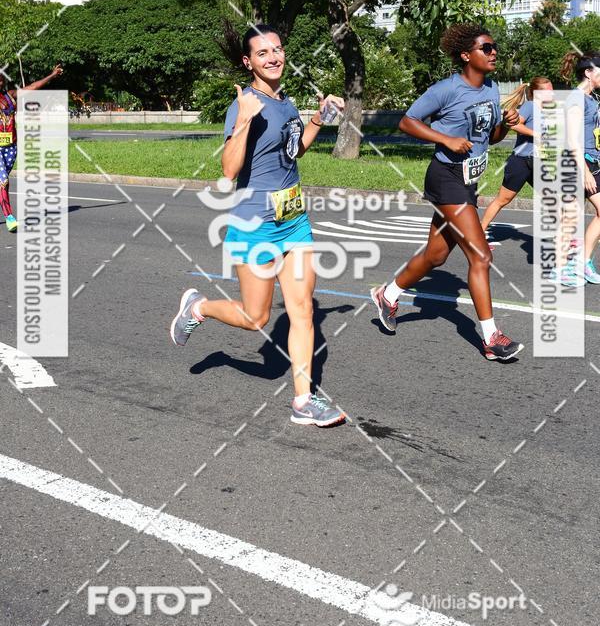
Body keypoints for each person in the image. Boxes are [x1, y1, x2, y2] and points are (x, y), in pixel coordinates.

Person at [170, 24, 346, 426]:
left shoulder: (285, 102)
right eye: (263, 53)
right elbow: (229, 170)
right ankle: (198, 307)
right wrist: (246, 120)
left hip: (294, 220)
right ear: (249, 62)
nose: (273, 57)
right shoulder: (244, 104)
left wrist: (318, 118)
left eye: (278, 49)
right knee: (256, 319)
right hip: (255, 225)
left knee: (302, 310)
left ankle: (304, 401)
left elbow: (292, 150)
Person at [371, 23, 524, 361]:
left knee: (436, 256)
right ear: (467, 55)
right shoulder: (446, 89)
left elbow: (490, 137)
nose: (494, 52)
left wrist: (505, 124)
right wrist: (445, 139)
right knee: (481, 256)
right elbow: (407, 121)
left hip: (468, 180)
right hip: (446, 177)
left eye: (494, 46)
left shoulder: (491, 89)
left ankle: (388, 294)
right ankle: (491, 339)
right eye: (486, 48)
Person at [481, 77, 554, 234]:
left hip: (538, 163)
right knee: (503, 200)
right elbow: (514, 124)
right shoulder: (530, 106)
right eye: (548, 91)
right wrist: (536, 134)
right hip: (521, 162)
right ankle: (478, 234)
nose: (552, 93)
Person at [0, 64, 64, 233]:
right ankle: (10, 218)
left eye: (0, 79)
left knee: (3, 182)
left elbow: (32, 87)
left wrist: (51, 76)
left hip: (11, 147)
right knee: (3, 180)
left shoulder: (10, 97)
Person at [559, 51, 600, 285]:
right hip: (578, 163)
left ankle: (582, 263)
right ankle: (560, 268)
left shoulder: (592, 99)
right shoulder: (576, 98)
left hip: (592, 161)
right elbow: (572, 139)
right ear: (588, 72)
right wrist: (584, 170)